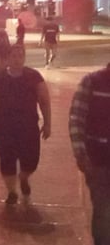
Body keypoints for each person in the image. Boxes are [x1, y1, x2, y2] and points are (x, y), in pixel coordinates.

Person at [0, 44, 52, 205]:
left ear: (24, 58)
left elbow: (44, 101)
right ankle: (12, 192)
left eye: (20, 56)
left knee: (31, 160)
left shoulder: (34, 76)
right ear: (8, 58)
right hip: (4, 126)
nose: (17, 59)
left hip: (28, 126)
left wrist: (47, 123)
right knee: (7, 159)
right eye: (14, 56)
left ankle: (24, 177)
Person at [69, 63, 110, 245]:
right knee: (102, 209)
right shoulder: (92, 82)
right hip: (98, 158)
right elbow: (77, 118)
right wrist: (80, 153)